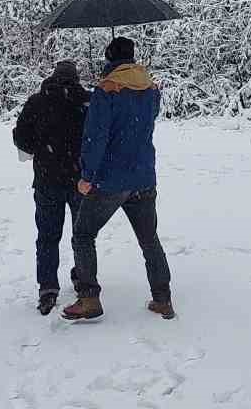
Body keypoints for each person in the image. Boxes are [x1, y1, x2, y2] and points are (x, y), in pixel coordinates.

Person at [63, 37, 174, 322]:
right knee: (149, 239)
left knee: (83, 234)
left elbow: (95, 137)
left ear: (109, 59)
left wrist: (87, 175)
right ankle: (163, 299)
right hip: (144, 177)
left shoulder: (107, 90)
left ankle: (88, 298)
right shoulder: (151, 89)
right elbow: (144, 122)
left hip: (111, 180)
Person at [12, 60, 91, 315]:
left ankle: (47, 288)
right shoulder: (87, 103)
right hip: (81, 181)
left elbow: (20, 137)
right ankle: (82, 278)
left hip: (47, 179)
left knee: (47, 236)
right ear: (76, 78)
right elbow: (99, 137)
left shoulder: (37, 102)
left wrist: (42, 150)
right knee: (83, 236)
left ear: (53, 77)